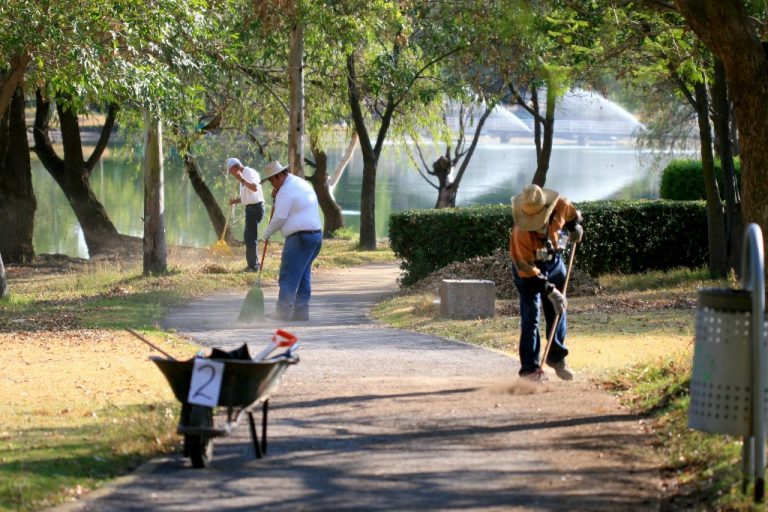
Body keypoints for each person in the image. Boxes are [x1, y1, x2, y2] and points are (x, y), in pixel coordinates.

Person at [509, 184, 584, 381]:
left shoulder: (560, 205)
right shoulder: (520, 234)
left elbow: (573, 216)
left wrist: (574, 227)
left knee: (558, 310)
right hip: (528, 271)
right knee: (531, 316)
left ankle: (556, 357)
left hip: (554, 262)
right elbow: (525, 269)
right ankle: (529, 369)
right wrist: (550, 290)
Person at [260, 161, 323, 321]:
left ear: (280, 175)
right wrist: (277, 196)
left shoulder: (286, 191)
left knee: (288, 276)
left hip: (300, 238)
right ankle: (301, 312)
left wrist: (266, 234)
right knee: (303, 275)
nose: (272, 184)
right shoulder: (298, 182)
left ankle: (283, 312)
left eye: (272, 180)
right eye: (269, 181)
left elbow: (279, 217)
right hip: (315, 236)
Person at [227, 158, 266, 272]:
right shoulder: (242, 176)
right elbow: (248, 197)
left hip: (255, 208)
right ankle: (252, 265)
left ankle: (253, 266)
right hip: (251, 208)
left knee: (250, 237)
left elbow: (254, 188)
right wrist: (235, 201)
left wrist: (242, 179)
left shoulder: (248, 172)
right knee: (249, 237)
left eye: (230, 171)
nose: (231, 174)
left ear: (235, 167)